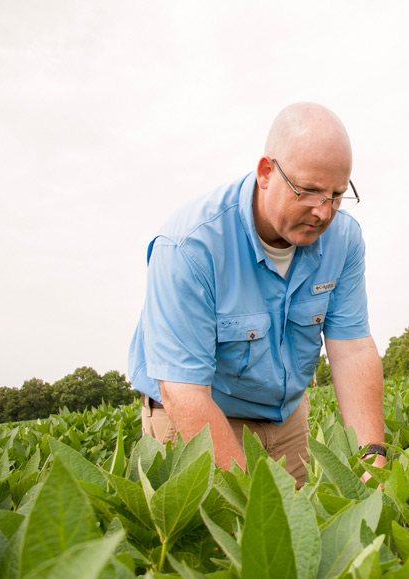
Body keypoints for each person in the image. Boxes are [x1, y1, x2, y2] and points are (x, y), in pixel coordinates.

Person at [128, 103, 386, 486]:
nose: (323, 212)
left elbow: (352, 349)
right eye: (310, 191)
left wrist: (372, 458)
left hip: (286, 416)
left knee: (300, 534)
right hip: (197, 412)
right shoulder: (189, 247)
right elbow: (184, 390)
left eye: (336, 194)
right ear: (267, 172)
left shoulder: (343, 239)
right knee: (235, 532)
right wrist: (249, 496)